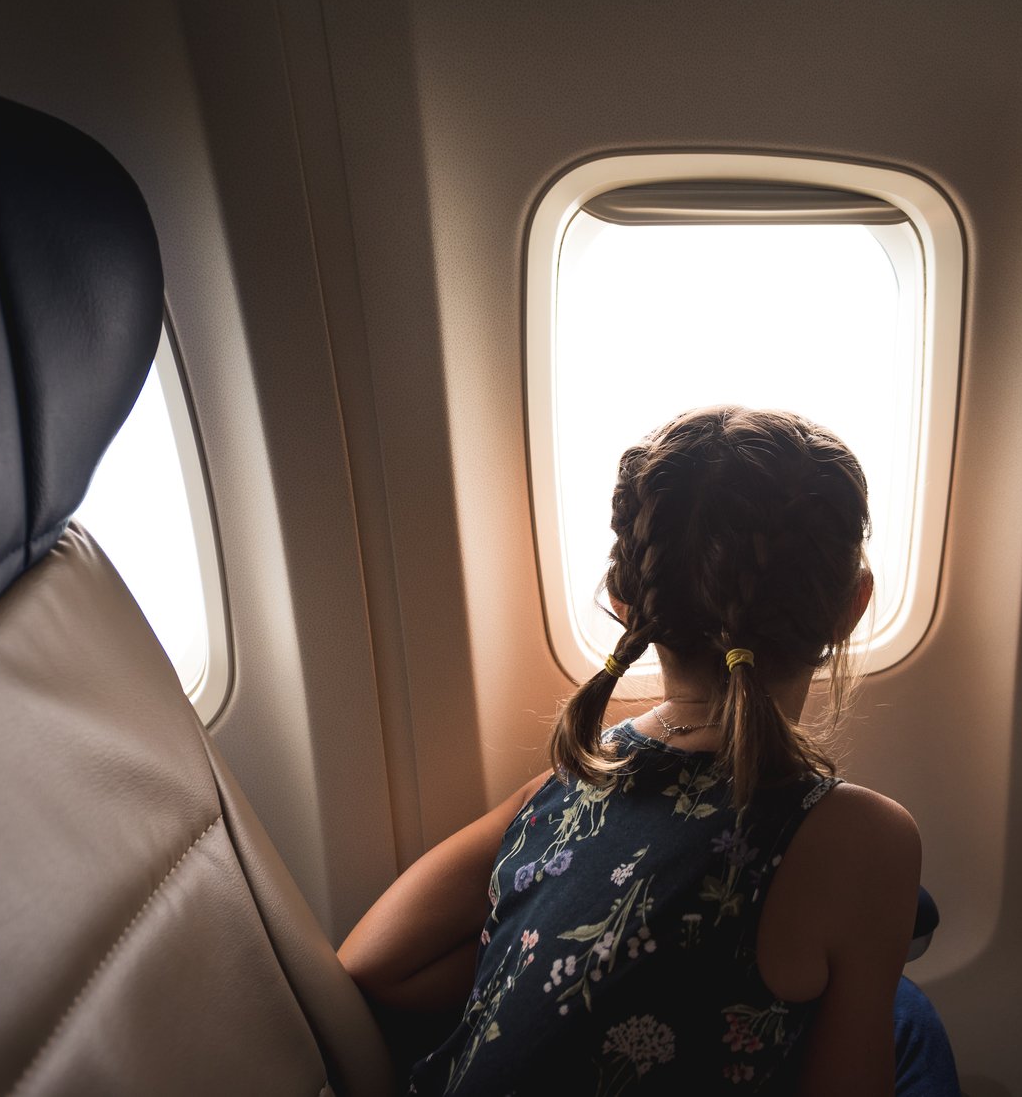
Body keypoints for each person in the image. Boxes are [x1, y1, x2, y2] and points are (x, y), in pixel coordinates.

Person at [339, 406, 959, 1095]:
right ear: (854, 605)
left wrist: (564, 969)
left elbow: (374, 963)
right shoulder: (867, 838)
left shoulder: (585, 769)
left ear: (626, 602)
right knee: (907, 1013)